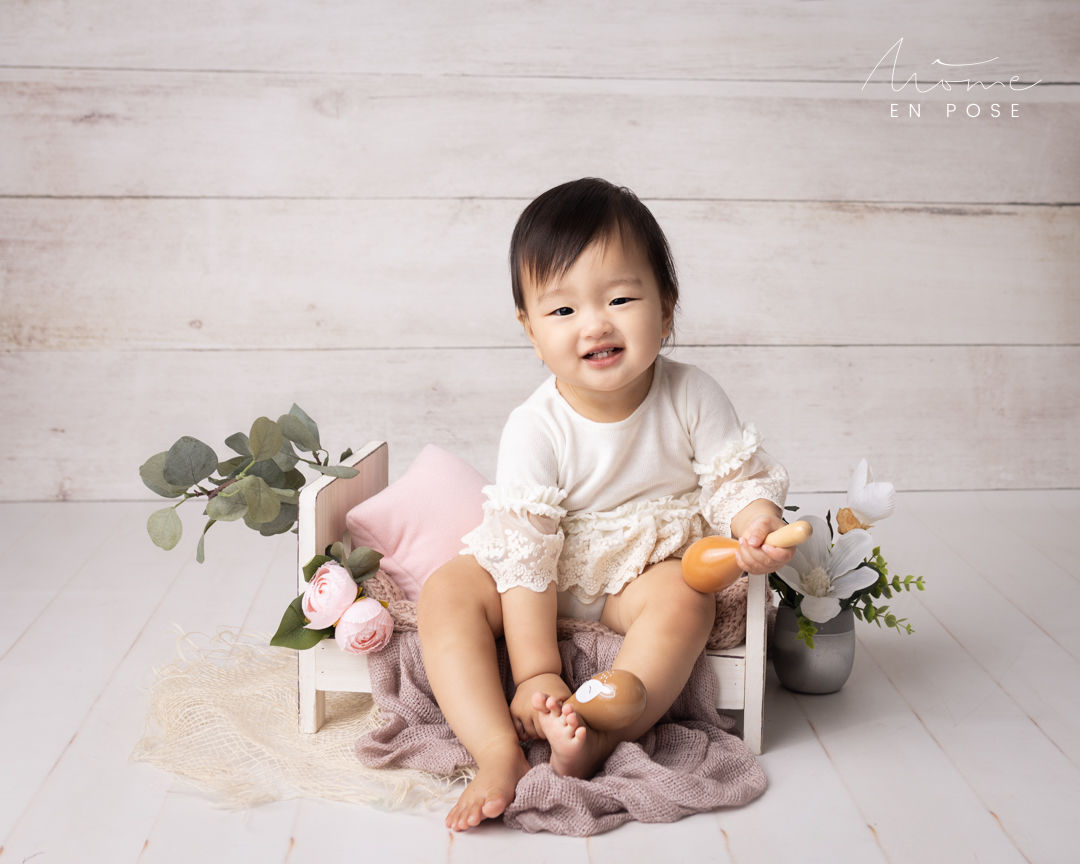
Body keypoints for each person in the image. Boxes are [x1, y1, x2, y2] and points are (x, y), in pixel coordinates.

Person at [417, 177, 794, 832]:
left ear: (666, 310)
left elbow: (735, 479)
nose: (595, 324)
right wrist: (536, 671)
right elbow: (528, 556)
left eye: (621, 298)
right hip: (546, 576)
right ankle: (497, 752)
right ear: (530, 331)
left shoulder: (692, 394)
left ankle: (603, 729)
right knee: (445, 591)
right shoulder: (534, 427)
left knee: (686, 598)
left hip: (642, 571)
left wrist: (756, 521)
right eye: (562, 312)